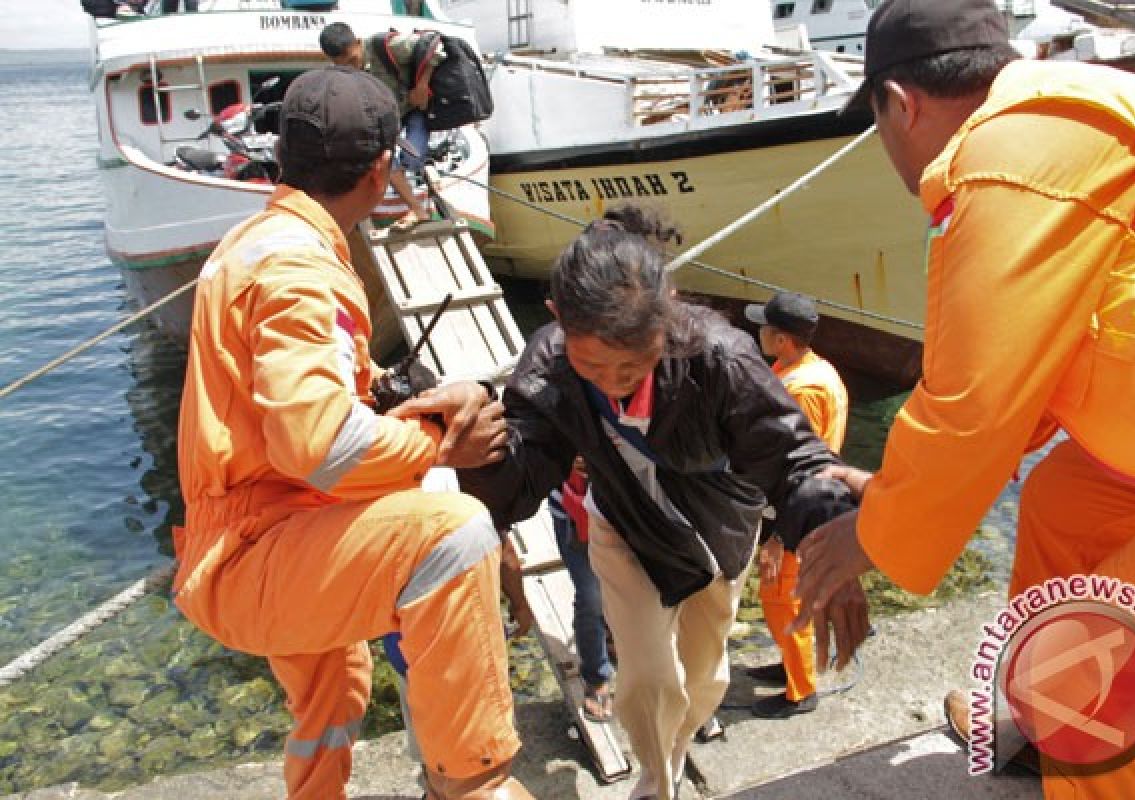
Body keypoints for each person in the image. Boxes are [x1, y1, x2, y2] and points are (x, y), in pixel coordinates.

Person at [791, 1, 1135, 798]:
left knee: (1100, 647)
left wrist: (870, 536)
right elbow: (1029, 379)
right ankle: (1048, 727)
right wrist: (895, 493)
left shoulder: (1008, 155)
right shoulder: (1065, 120)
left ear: (900, 104)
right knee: (1059, 500)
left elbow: (969, 401)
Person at [171, 66, 535, 800]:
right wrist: (442, 445)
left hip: (242, 535)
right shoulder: (304, 269)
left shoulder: (253, 242)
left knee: (335, 687)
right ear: (380, 168)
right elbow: (322, 447)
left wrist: (403, 407)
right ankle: (473, 782)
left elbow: (294, 421)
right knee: (455, 533)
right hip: (258, 551)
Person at [419, 205, 856, 800]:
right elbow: (519, 483)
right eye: (591, 362)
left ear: (668, 313)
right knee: (648, 680)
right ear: (557, 319)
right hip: (624, 523)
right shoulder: (550, 365)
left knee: (704, 680)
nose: (611, 379)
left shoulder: (720, 356)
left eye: (634, 362)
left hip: (716, 531)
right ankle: (656, 784)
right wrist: (478, 452)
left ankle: (671, 759)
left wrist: (832, 537)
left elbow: (791, 457)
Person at [743, 291, 848, 719]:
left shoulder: (802, 391)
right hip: (811, 504)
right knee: (788, 594)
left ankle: (801, 691)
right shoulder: (813, 369)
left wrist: (779, 536)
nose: (758, 332)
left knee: (782, 595)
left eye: (765, 328)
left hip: (799, 512)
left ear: (782, 339)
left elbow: (800, 474)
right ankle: (791, 663)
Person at [319, 21, 441, 223]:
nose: (352, 67)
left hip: (414, 109)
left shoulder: (387, 46)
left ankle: (428, 172)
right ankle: (417, 209)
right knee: (384, 161)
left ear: (358, 43)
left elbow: (436, 45)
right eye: (343, 65)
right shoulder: (341, 73)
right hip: (388, 117)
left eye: (352, 60)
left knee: (413, 160)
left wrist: (422, 85)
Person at [548, 458, 616, 722]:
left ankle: (613, 637)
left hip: (627, 503)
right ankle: (596, 674)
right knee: (591, 595)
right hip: (573, 510)